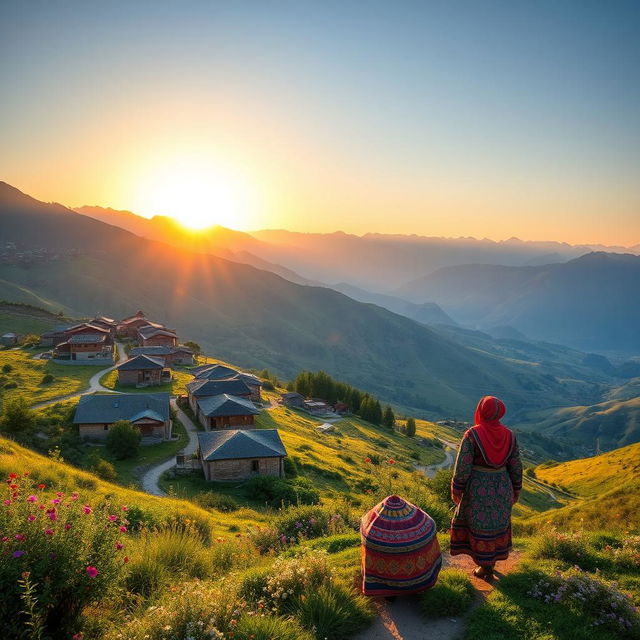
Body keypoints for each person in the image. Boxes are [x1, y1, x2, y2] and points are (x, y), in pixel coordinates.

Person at [449, 395, 523, 579]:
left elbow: (463, 466)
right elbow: (516, 465)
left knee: (479, 525)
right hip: (502, 486)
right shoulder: (510, 436)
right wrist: (516, 488)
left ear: (482, 411)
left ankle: (485, 568)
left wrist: (457, 488)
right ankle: (490, 564)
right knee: (496, 524)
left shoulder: (472, 435)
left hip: (478, 488)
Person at [360, 494, 442, 597]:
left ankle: (388, 591)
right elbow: (430, 523)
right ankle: (416, 587)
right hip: (416, 573)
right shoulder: (424, 521)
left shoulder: (371, 523)